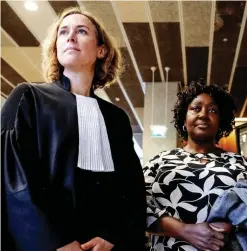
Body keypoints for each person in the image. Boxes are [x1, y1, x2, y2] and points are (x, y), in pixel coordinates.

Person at [1, 7, 146, 251]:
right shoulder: (29, 98)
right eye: (63, 33)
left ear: (102, 50)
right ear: (56, 49)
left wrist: (111, 236)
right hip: (45, 241)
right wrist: (56, 242)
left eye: (81, 31)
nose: (70, 37)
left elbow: (130, 188)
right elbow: (14, 178)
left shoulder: (116, 119)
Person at [143, 79, 247, 251]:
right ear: (184, 120)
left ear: (220, 121)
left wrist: (232, 226)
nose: (203, 114)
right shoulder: (159, 162)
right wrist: (184, 230)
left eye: (213, 110)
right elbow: (135, 207)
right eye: (195, 108)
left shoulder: (239, 163)